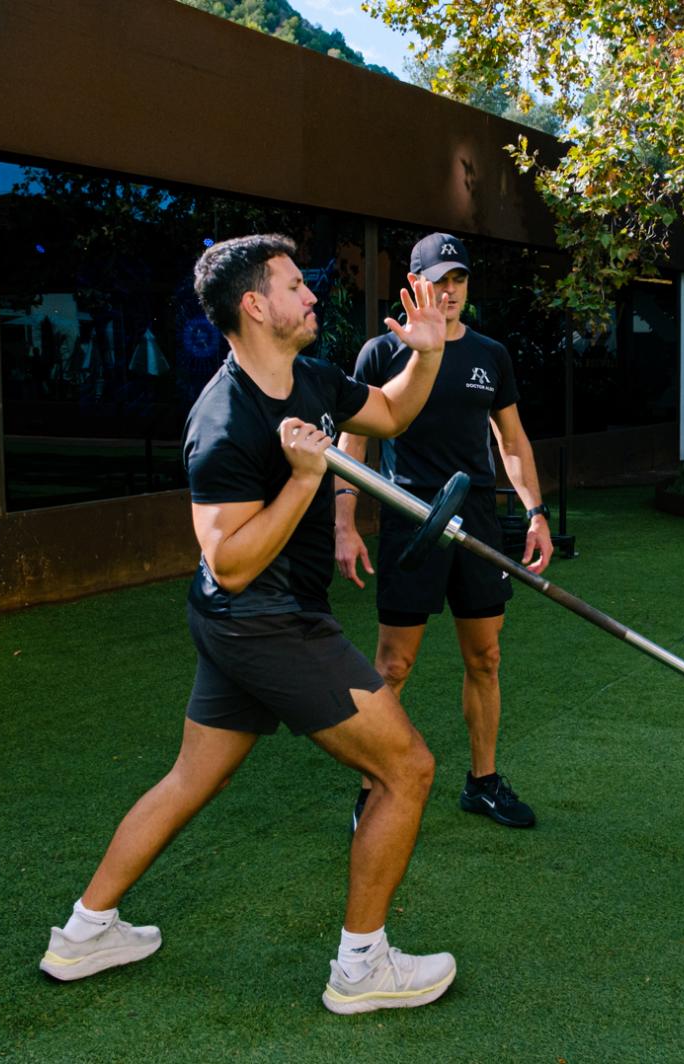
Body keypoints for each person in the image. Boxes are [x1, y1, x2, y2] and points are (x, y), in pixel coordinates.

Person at [38, 234, 458, 1016]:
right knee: (408, 769)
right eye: (297, 286)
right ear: (255, 306)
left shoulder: (313, 380)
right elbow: (229, 560)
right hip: (264, 620)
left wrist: (427, 354)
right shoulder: (223, 418)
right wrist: (307, 481)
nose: (312, 297)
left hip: (248, 620)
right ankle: (362, 968)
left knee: (194, 775)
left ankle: (84, 932)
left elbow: (393, 413)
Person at [334, 232, 553, 831]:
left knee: (485, 655)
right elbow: (353, 445)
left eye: (458, 279)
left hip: (477, 515)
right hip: (409, 517)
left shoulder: (490, 355)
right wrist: (345, 522)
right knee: (394, 665)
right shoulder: (381, 352)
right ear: (416, 284)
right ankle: (372, 787)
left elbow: (511, 441)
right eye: (439, 280)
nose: (450, 290)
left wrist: (535, 513)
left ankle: (482, 782)